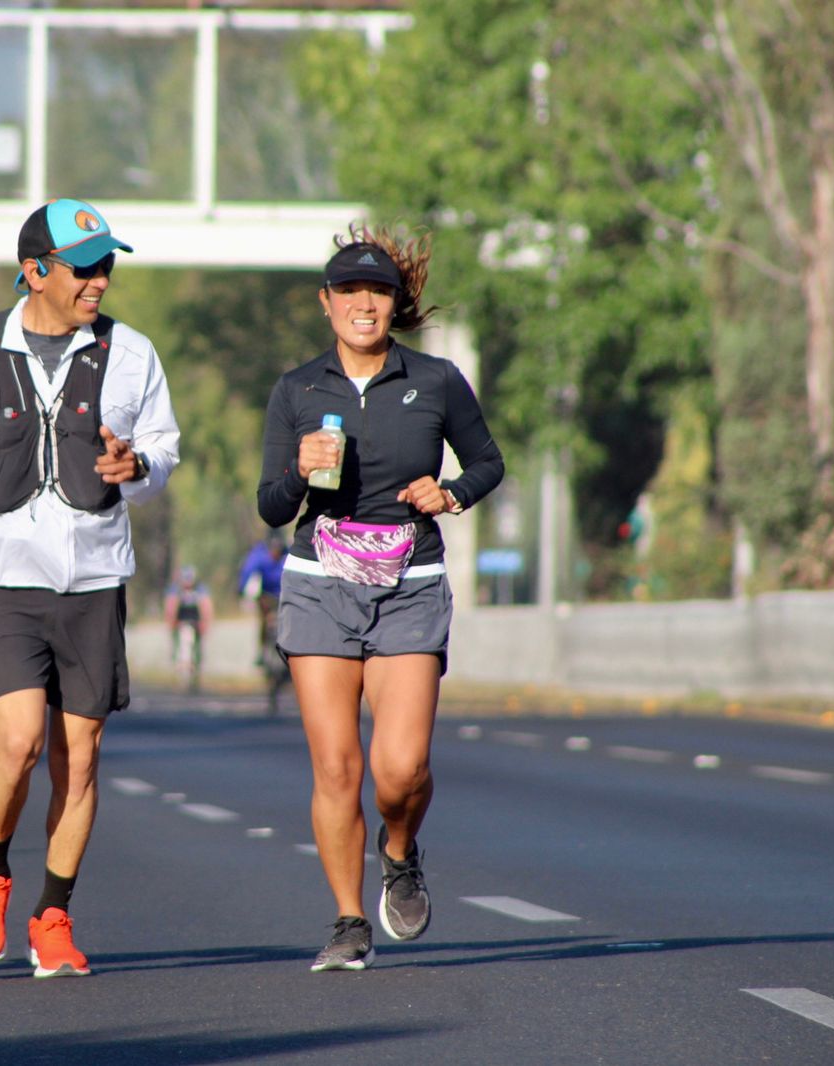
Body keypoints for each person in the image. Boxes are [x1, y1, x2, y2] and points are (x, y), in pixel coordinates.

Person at [0, 197, 179, 978]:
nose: (101, 281)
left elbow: (163, 448)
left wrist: (140, 470)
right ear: (36, 271)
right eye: (86, 269)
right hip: (5, 577)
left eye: (107, 267)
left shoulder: (132, 354)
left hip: (95, 579)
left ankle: (53, 915)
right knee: (19, 741)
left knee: (79, 757)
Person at [256, 226, 503, 972]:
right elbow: (272, 506)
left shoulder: (435, 380)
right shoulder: (297, 389)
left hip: (410, 585)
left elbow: (488, 462)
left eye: (380, 292)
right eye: (351, 291)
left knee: (402, 771)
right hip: (320, 583)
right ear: (326, 302)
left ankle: (399, 850)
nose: (366, 304)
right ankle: (348, 919)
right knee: (337, 769)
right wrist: (301, 472)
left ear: (396, 304)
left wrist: (450, 491)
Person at [237, 533, 287, 664]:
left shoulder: (285, 560)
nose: (275, 553)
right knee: (265, 622)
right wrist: (244, 590)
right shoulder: (262, 560)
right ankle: (262, 650)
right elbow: (249, 576)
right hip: (266, 597)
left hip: (283, 596)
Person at [162, 565, 213, 692]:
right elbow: (170, 606)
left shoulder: (200, 589)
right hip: (180, 619)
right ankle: (177, 664)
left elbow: (206, 606)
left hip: (195, 619)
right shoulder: (175, 589)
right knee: (177, 642)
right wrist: (172, 622)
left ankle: (197, 670)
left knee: (198, 647)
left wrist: (205, 623)